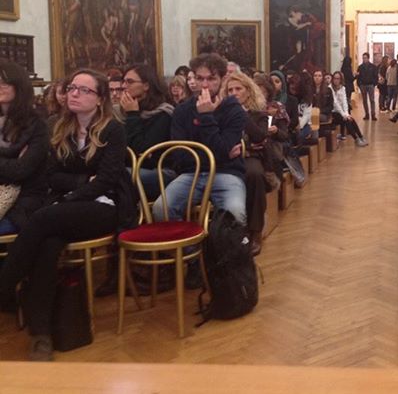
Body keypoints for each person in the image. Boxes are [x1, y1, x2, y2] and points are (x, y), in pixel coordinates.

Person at [0, 69, 136, 361]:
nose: (74, 93)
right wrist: (80, 182)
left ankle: (5, 287)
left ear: (99, 99)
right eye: (72, 87)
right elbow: (51, 176)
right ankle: (41, 335)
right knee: (48, 244)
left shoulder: (112, 129)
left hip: (105, 206)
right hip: (65, 207)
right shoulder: (59, 127)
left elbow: (107, 180)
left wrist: (72, 192)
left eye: (84, 90)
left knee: (41, 219)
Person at [153, 54, 247, 263]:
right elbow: (180, 154)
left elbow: (220, 151)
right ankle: (194, 259)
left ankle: (224, 265)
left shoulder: (233, 110)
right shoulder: (182, 110)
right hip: (191, 174)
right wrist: (219, 153)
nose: (204, 84)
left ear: (222, 79)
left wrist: (206, 117)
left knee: (235, 212)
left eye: (211, 78)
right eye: (199, 78)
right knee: (161, 208)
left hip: (226, 174)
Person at [0, 61, 50, 235]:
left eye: (4, 82)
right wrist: (11, 162)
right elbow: (15, 167)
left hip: (22, 202)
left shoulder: (37, 125)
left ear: (19, 86)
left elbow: (22, 170)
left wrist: (14, 166)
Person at [224, 71, 271, 255]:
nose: (234, 93)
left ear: (248, 91)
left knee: (254, 175)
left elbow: (260, 136)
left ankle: (255, 231)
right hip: (227, 157)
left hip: (250, 157)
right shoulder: (222, 113)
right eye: (230, 90)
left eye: (238, 89)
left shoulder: (258, 114)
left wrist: (240, 114)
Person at [120, 64, 174, 200]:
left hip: (160, 171)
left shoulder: (163, 114)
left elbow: (143, 151)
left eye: (130, 82)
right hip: (132, 168)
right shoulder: (122, 112)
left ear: (146, 86)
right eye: (123, 81)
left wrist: (133, 115)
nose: (124, 86)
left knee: (116, 176)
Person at [330, 71, 367, 147]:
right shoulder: (330, 88)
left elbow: (344, 102)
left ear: (341, 79)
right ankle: (356, 139)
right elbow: (335, 103)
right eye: (335, 78)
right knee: (346, 120)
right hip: (333, 112)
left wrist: (346, 113)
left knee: (351, 119)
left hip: (341, 112)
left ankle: (361, 137)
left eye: (338, 79)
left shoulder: (342, 88)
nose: (336, 80)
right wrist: (344, 115)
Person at [356, 52, 378, 121]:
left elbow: (376, 76)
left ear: (368, 58)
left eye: (365, 58)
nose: (364, 59)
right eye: (363, 58)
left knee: (372, 100)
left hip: (370, 85)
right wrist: (359, 84)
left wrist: (374, 84)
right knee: (364, 100)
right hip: (363, 85)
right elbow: (358, 76)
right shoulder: (360, 67)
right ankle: (367, 114)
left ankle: (373, 114)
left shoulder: (373, 67)